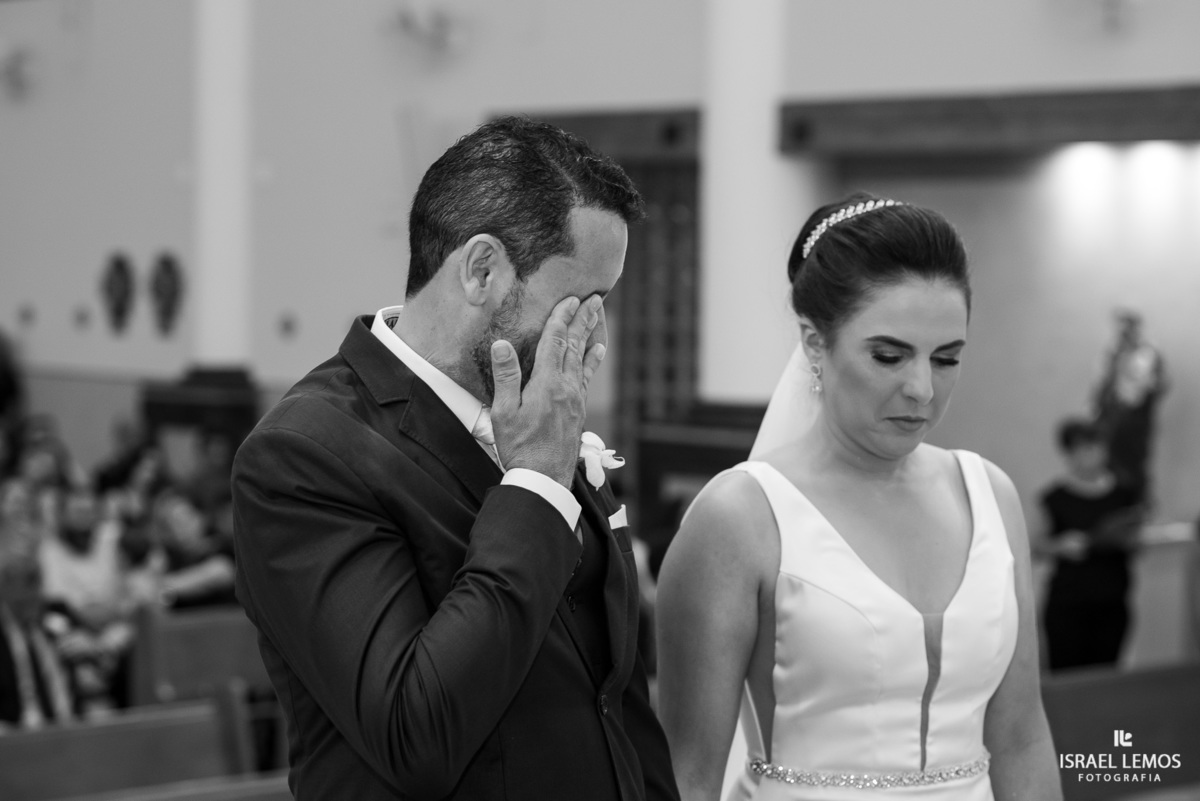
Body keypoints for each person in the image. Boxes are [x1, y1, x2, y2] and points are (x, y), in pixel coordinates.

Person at [231, 117, 679, 801]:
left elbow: (616, 697)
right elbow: (418, 730)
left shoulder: (542, 411)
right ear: (480, 270)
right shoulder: (306, 454)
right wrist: (533, 482)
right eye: (582, 301)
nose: (597, 337)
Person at [655, 194, 1061, 800]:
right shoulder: (740, 518)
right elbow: (686, 774)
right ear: (816, 344)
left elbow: (1022, 736)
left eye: (946, 358)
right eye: (889, 356)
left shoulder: (990, 497)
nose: (922, 389)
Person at [1037, 418, 1144, 672]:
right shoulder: (1054, 498)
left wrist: (1130, 540)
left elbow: (1138, 542)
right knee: (1068, 675)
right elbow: (1036, 546)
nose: (1091, 455)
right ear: (1069, 453)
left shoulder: (1124, 494)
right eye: (1082, 449)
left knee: (1107, 674)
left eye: (1096, 447)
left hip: (1112, 600)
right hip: (1069, 603)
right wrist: (1060, 546)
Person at [1092, 308, 1167, 500]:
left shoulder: (1149, 353)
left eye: (1127, 328)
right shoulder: (1115, 352)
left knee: (1133, 462)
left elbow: (1160, 384)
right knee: (1109, 459)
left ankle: (1136, 504)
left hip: (1135, 417)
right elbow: (1106, 381)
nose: (1123, 333)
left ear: (1135, 328)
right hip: (1113, 414)